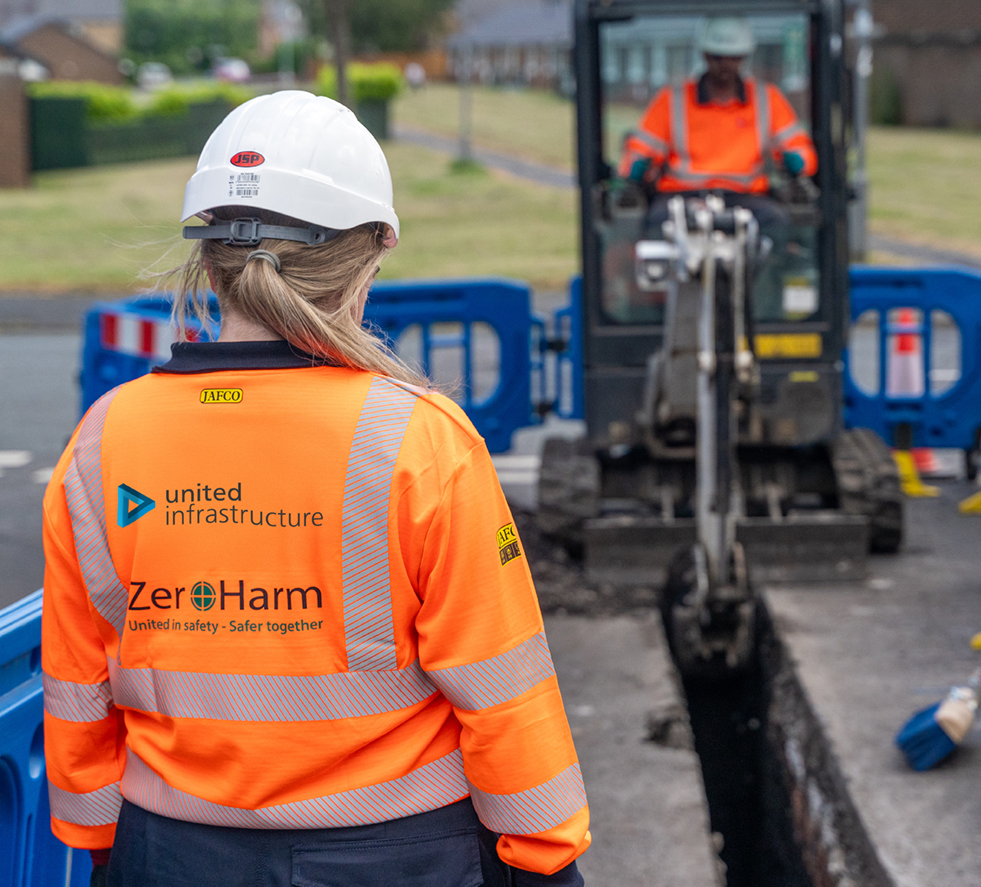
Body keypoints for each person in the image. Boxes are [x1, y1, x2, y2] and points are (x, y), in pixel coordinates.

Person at [41, 90, 589, 887]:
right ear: (365, 260)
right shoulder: (417, 439)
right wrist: (544, 857)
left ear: (210, 258)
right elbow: (500, 683)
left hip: (169, 853)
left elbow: (77, 676)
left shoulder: (103, 440)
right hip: (400, 855)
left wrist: (100, 842)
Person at [618, 15, 818, 239]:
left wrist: (799, 162)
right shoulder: (673, 99)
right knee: (654, 225)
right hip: (681, 196)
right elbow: (641, 147)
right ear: (704, 55)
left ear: (744, 56)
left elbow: (797, 146)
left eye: (732, 58)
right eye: (717, 57)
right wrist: (635, 167)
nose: (725, 65)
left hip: (746, 197)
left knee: (778, 224)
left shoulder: (766, 99)